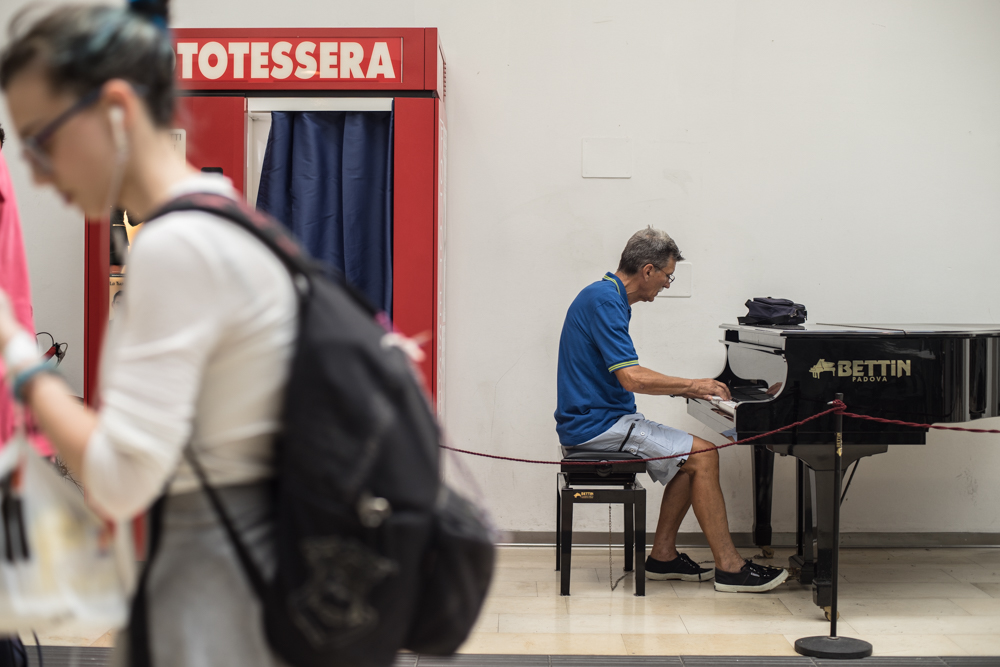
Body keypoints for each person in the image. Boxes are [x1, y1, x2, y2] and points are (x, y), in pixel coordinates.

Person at [0, 4, 296, 665]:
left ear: (114, 109)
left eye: (42, 143)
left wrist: (18, 355)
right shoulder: (230, 222)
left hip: (217, 608)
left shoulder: (175, 249)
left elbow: (117, 480)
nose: (40, 178)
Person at [555, 227, 787, 593]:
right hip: (596, 426)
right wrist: (694, 386)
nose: (666, 284)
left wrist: (685, 388)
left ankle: (662, 556)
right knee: (705, 456)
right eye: (667, 275)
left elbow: (626, 377)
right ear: (647, 270)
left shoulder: (606, 296)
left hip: (602, 418)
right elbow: (633, 378)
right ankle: (730, 567)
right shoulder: (605, 301)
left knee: (688, 459)